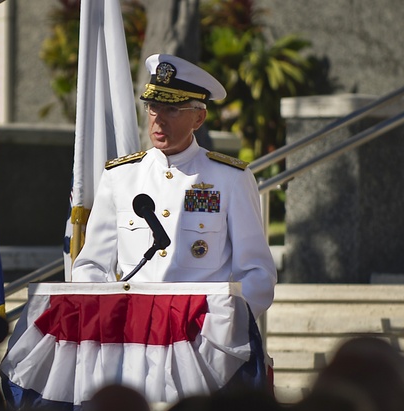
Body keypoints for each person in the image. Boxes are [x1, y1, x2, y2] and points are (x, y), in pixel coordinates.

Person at [72, 53, 277, 320]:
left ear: (199, 118)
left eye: (172, 109)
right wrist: (107, 316)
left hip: (200, 339)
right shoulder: (120, 176)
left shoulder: (231, 178)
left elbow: (257, 274)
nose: (159, 119)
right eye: (153, 107)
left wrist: (219, 324)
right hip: (131, 333)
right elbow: (92, 265)